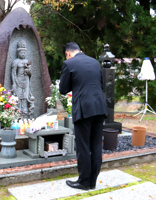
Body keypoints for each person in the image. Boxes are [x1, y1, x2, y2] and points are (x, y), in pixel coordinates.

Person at [59, 42, 108, 190]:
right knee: (96, 145)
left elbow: (63, 89)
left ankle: (84, 182)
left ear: (67, 53)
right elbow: (102, 84)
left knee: (83, 146)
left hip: (84, 109)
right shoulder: (94, 62)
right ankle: (92, 181)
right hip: (100, 107)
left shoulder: (69, 63)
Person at [11, 40, 35, 118]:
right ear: (18, 53)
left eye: (24, 53)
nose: (23, 54)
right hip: (18, 80)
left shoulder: (27, 61)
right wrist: (14, 83)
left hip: (26, 80)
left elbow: (30, 73)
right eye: (21, 52)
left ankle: (25, 110)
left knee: (25, 96)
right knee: (18, 95)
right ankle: (18, 110)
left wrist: (28, 71)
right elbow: (13, 73)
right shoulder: (15, 62)